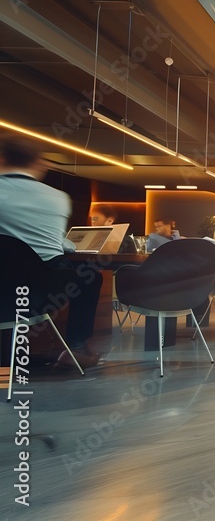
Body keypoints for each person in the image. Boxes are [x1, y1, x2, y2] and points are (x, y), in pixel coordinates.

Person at [0, 137, 103, 369]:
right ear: (38, 164)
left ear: (3, 158)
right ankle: (76, 348)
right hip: (41, 293)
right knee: (91, 276)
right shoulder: (58, 198)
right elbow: (59, 243)